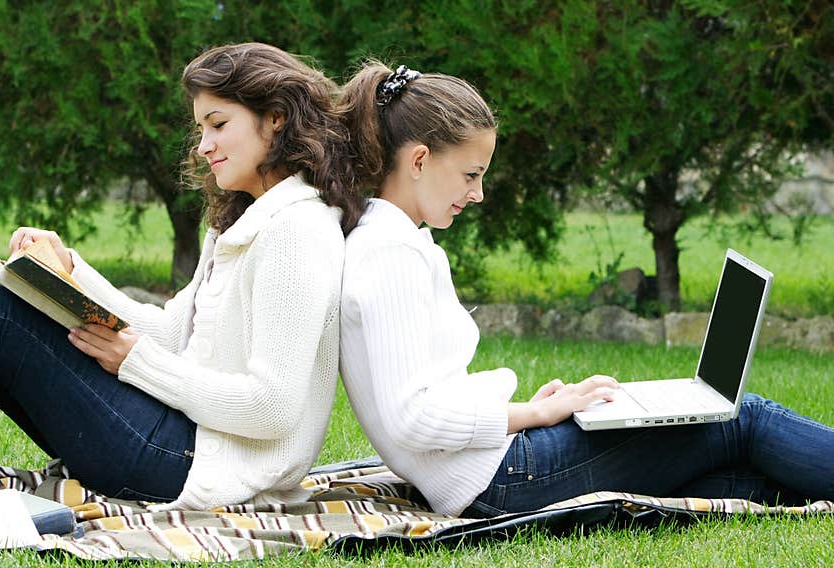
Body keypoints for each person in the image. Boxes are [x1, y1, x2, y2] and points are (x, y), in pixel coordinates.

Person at [336, 61, 834, 518]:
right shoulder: (389, 254)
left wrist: (532, 411)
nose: (478, 193)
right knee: (745, 418)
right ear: (419, 160)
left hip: (489, 471)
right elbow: (412, 420)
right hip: (501, 479)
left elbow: (428, 392)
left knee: (724, 472)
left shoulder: (394, 241)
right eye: (471, 174)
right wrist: (533, 414)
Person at [0, 42, 364, 511]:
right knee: (8, 307)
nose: (204, 145)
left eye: (219, 124)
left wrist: (136, 362)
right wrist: (70, 271)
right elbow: (174, 333)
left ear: (276, 118)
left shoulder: (297, 231)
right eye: (200, 128)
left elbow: (271, 409)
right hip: (180, 440)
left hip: (199, 462)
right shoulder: (247, 221)